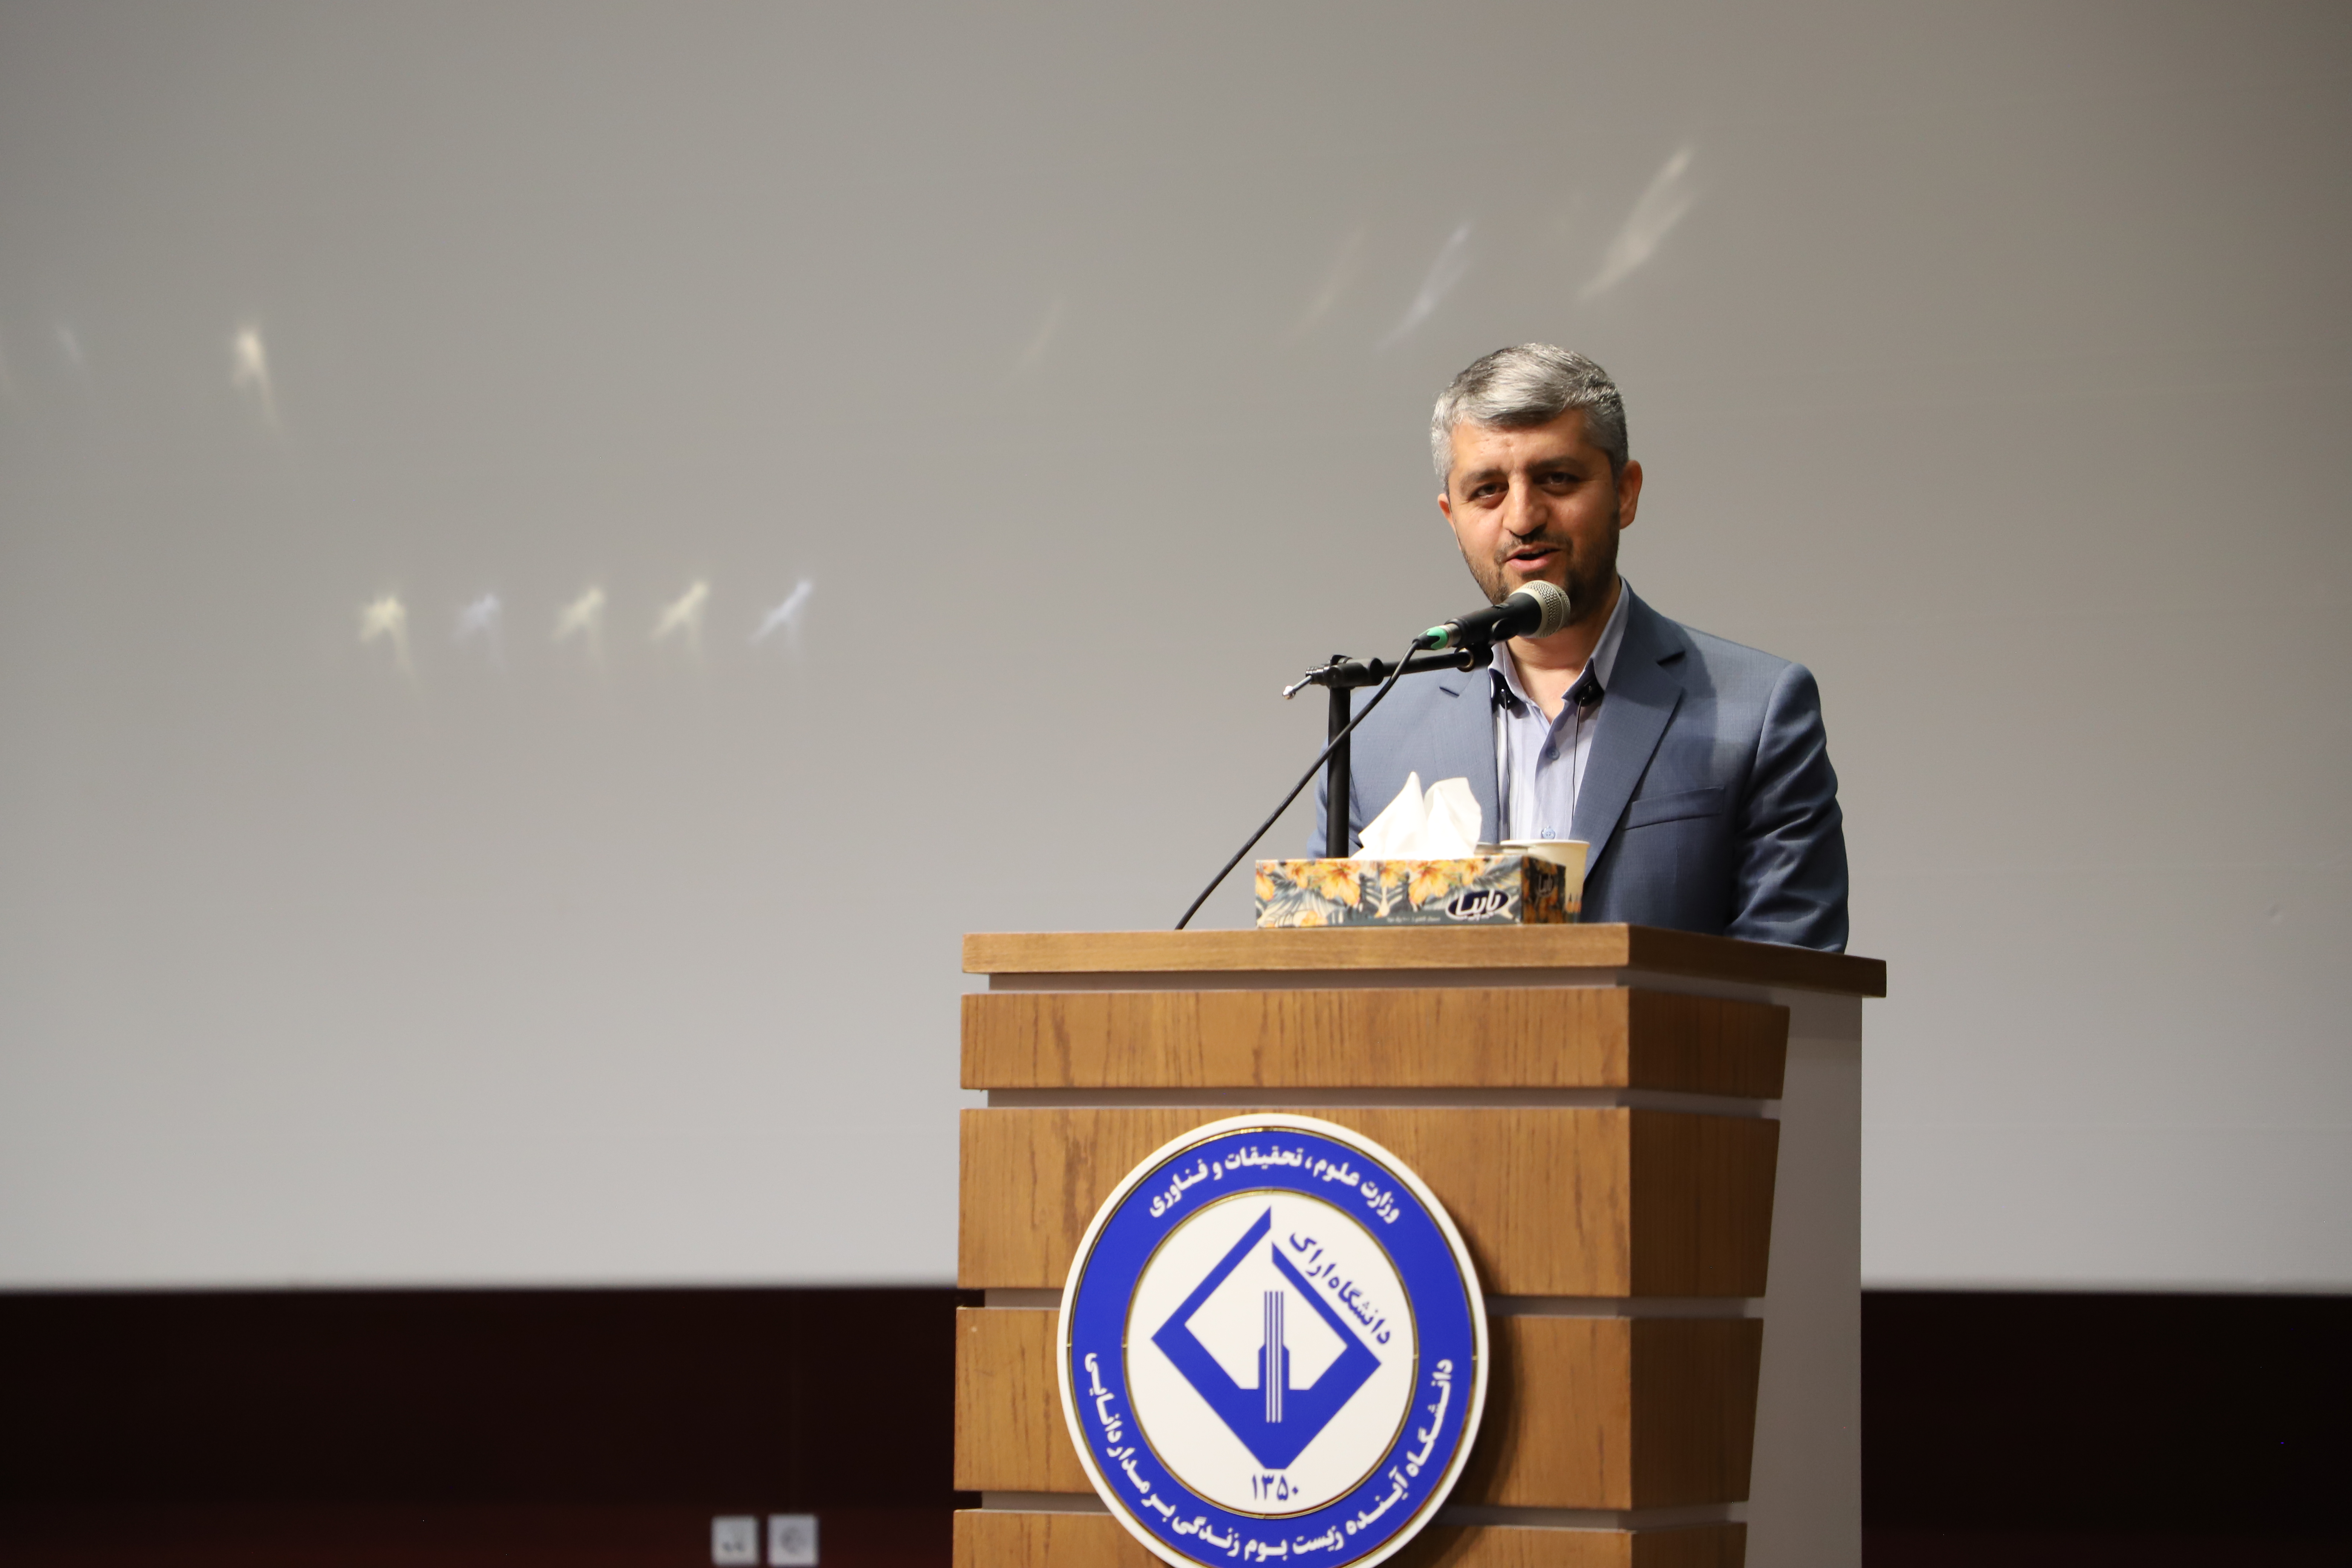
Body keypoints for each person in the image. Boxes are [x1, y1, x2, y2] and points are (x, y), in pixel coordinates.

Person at [1315, 344, 1849, 951]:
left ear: (1625, 492)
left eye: (1558, 479)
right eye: (1487, 490)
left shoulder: (1758, 711)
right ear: (1451, 517)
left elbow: (1790, 965)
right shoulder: (1375, 734)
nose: (1523, 517)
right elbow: (1326, 971)